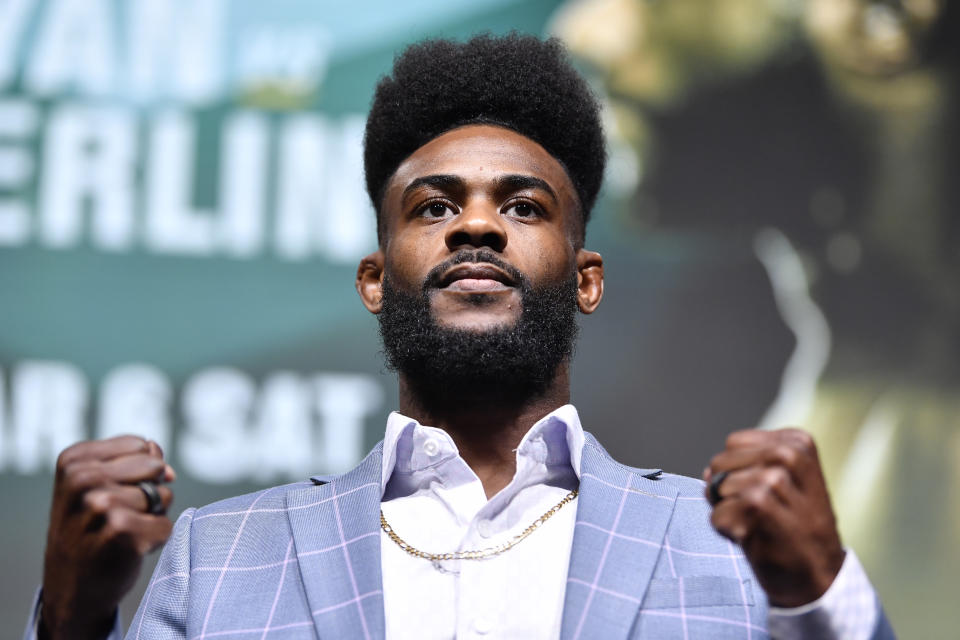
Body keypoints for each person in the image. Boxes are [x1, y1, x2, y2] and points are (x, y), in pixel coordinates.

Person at [25, 34, 894, 640]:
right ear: (374, 280)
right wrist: (69, 622)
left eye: (523, 206)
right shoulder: (218, 557)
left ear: (587, 279)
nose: (475, 226)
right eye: (434, 206)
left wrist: (823, 593)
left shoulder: (734, 551)